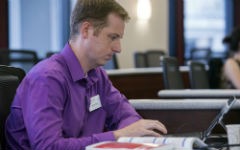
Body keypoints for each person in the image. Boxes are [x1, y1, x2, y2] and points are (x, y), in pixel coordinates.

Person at [5, 0, 167, 149]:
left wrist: (130, 131)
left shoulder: (97, 76)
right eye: (112, 37)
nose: (118, 48)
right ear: (86, 30)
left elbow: (126, 115)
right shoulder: (47, 78)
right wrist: (118, 135)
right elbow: (48, 147)